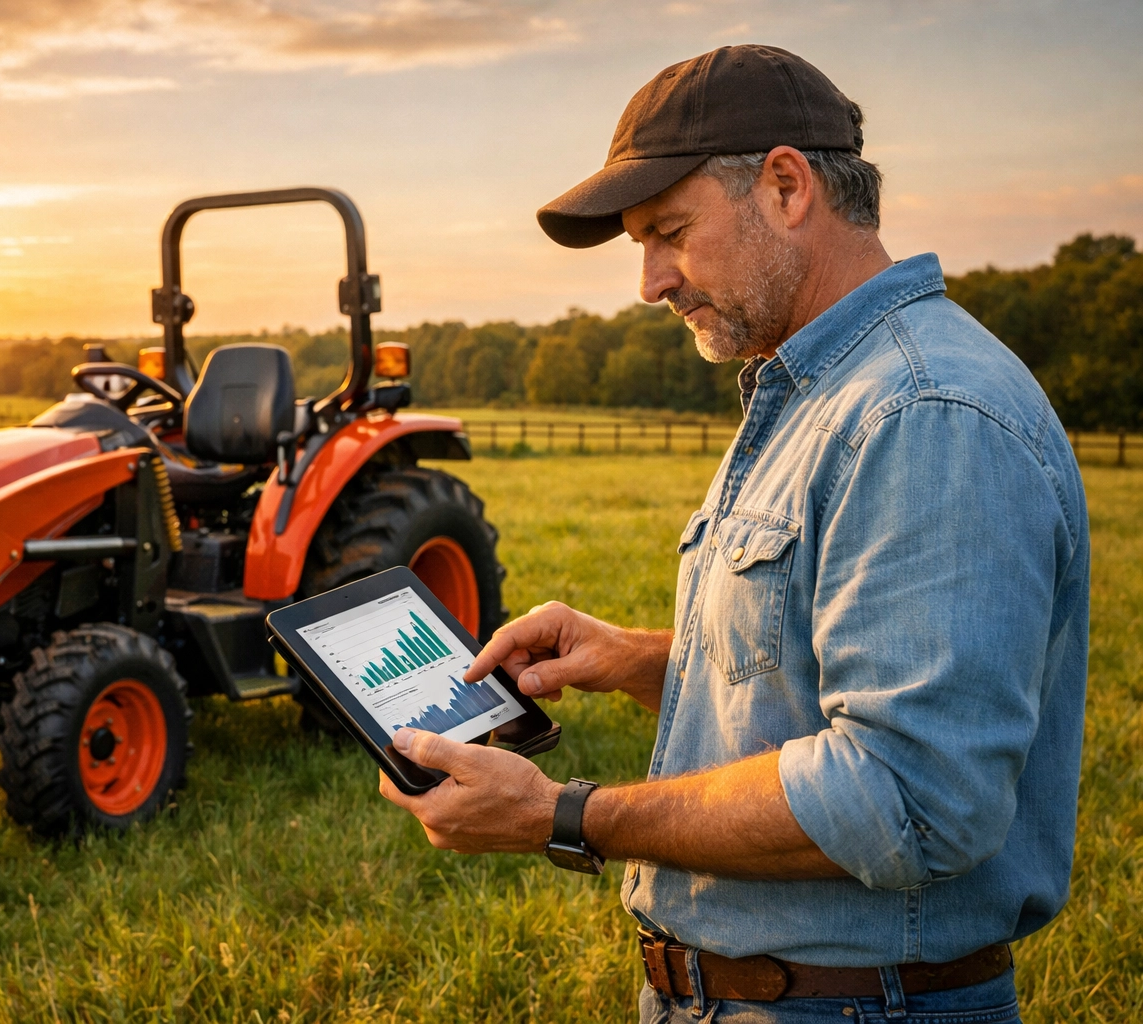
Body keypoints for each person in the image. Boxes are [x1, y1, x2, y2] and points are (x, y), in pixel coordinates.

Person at [378, 44, 1088, 1023]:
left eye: (669, 231)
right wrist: (640, 661)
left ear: (788, 185)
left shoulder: (923, 410)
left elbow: (908, 796)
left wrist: (566, 814)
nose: (649, 281)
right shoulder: (825, 391)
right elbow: (829, 691)